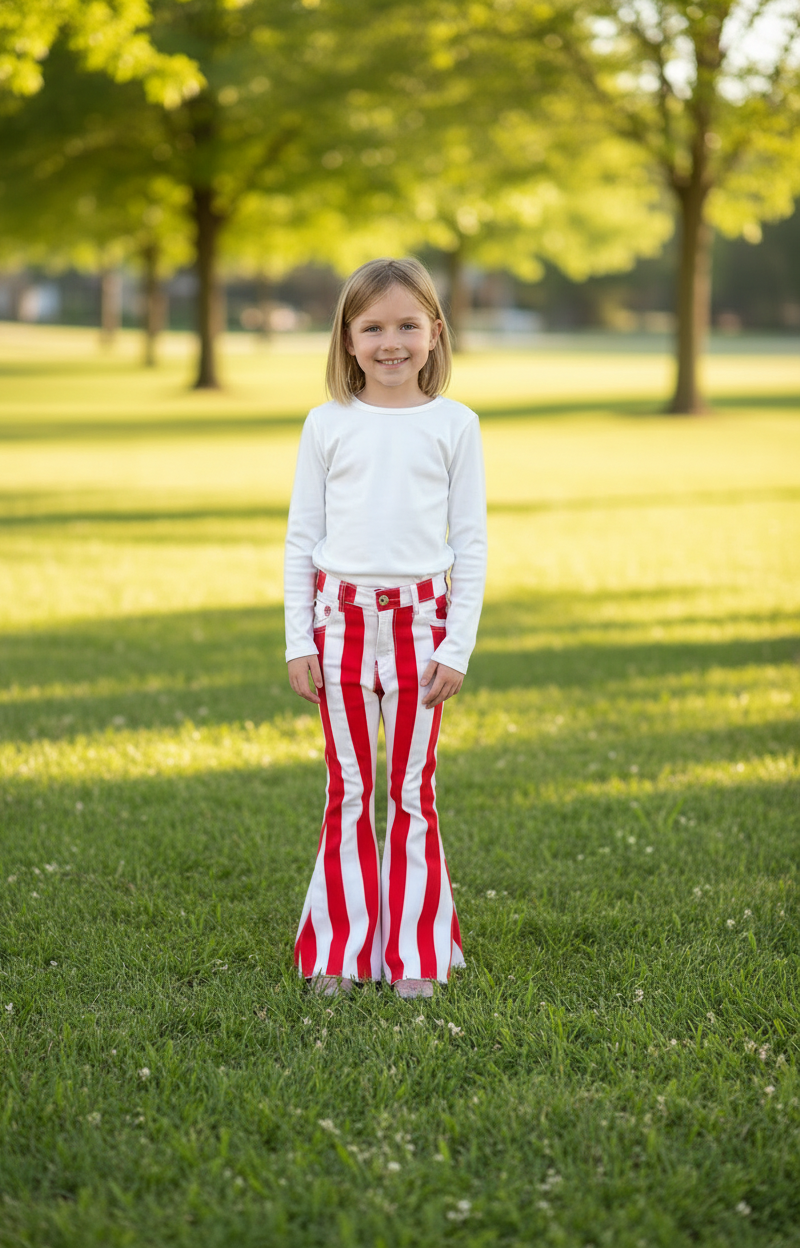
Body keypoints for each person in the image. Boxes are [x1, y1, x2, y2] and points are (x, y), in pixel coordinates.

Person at [284, 257, 487, 1000]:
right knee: (348, 789)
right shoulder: (327, 423)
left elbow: (472, 544)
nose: (390, 342)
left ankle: (417, 954)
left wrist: (456, 647)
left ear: (435, 332)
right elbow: (302, 539)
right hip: (338, 626)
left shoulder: (455, 425)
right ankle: (339, 950)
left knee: (410, 790)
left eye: (407, 325)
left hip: (421, 630)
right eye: (372, 328)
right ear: (347, 338)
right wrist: (298, 639)